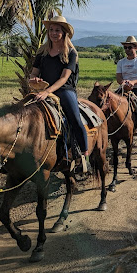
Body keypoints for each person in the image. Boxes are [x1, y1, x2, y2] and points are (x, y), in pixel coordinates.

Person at [29, 15, 88, 165]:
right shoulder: (42, 52)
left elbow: (63, 78)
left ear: (64, 33)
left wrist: (47, 91)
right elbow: (34, 73)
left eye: (57, 30)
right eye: (51, 30)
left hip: (64, 90)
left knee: (75, 118)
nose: (54, 33)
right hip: (43, 89)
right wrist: (34, 80)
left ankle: (84, 155)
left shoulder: (71, 53)